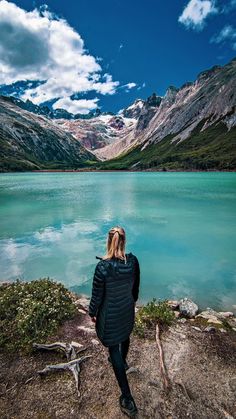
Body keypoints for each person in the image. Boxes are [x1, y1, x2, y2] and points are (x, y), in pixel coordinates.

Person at [88, 225, 140, 417]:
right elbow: (135, 289)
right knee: (125, 334)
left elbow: (97, 297)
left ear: (108, 241)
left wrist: (92, 313)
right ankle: (123, 363)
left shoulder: (102, 267)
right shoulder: (133, 261)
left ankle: (127, 398)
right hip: (127, 309)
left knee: (113, 349)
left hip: (110, 315)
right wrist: (131, 302)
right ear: (123, 241)